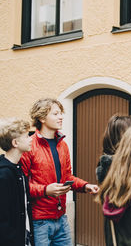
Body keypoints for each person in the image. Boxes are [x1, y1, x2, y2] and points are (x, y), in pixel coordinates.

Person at [20, 98, 99, 246]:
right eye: (56, 114)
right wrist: (45, 190)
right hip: (39, 221)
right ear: (42, 118)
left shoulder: (62, 145)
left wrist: (85, 186)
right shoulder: (29, 146)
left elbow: (67, 177)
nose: (61, 117)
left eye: (61, 113)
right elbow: (20, 187)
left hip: (61, 218)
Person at [0, 118, 34, 245]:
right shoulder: (4, 174)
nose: (31, 139)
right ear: (15, 143)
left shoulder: (18, 169)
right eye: (26, 136)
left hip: (23, 237)